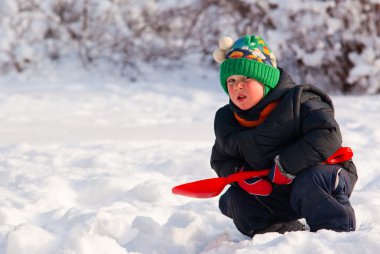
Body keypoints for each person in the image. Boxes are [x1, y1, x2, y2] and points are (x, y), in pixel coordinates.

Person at [210, 35, 358, 237]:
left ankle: (337, 234)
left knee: (310, 181)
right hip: (275, 188)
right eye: (231, 80)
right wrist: (241, 176)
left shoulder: (300, 101)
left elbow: (327, 133)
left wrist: (287, 164)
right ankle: (281, 235)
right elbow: (221, 159)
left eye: (246, 78)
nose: (238, 86)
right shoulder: (227, 120)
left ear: (266, 80)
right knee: (236, 199)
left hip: (324, 175)